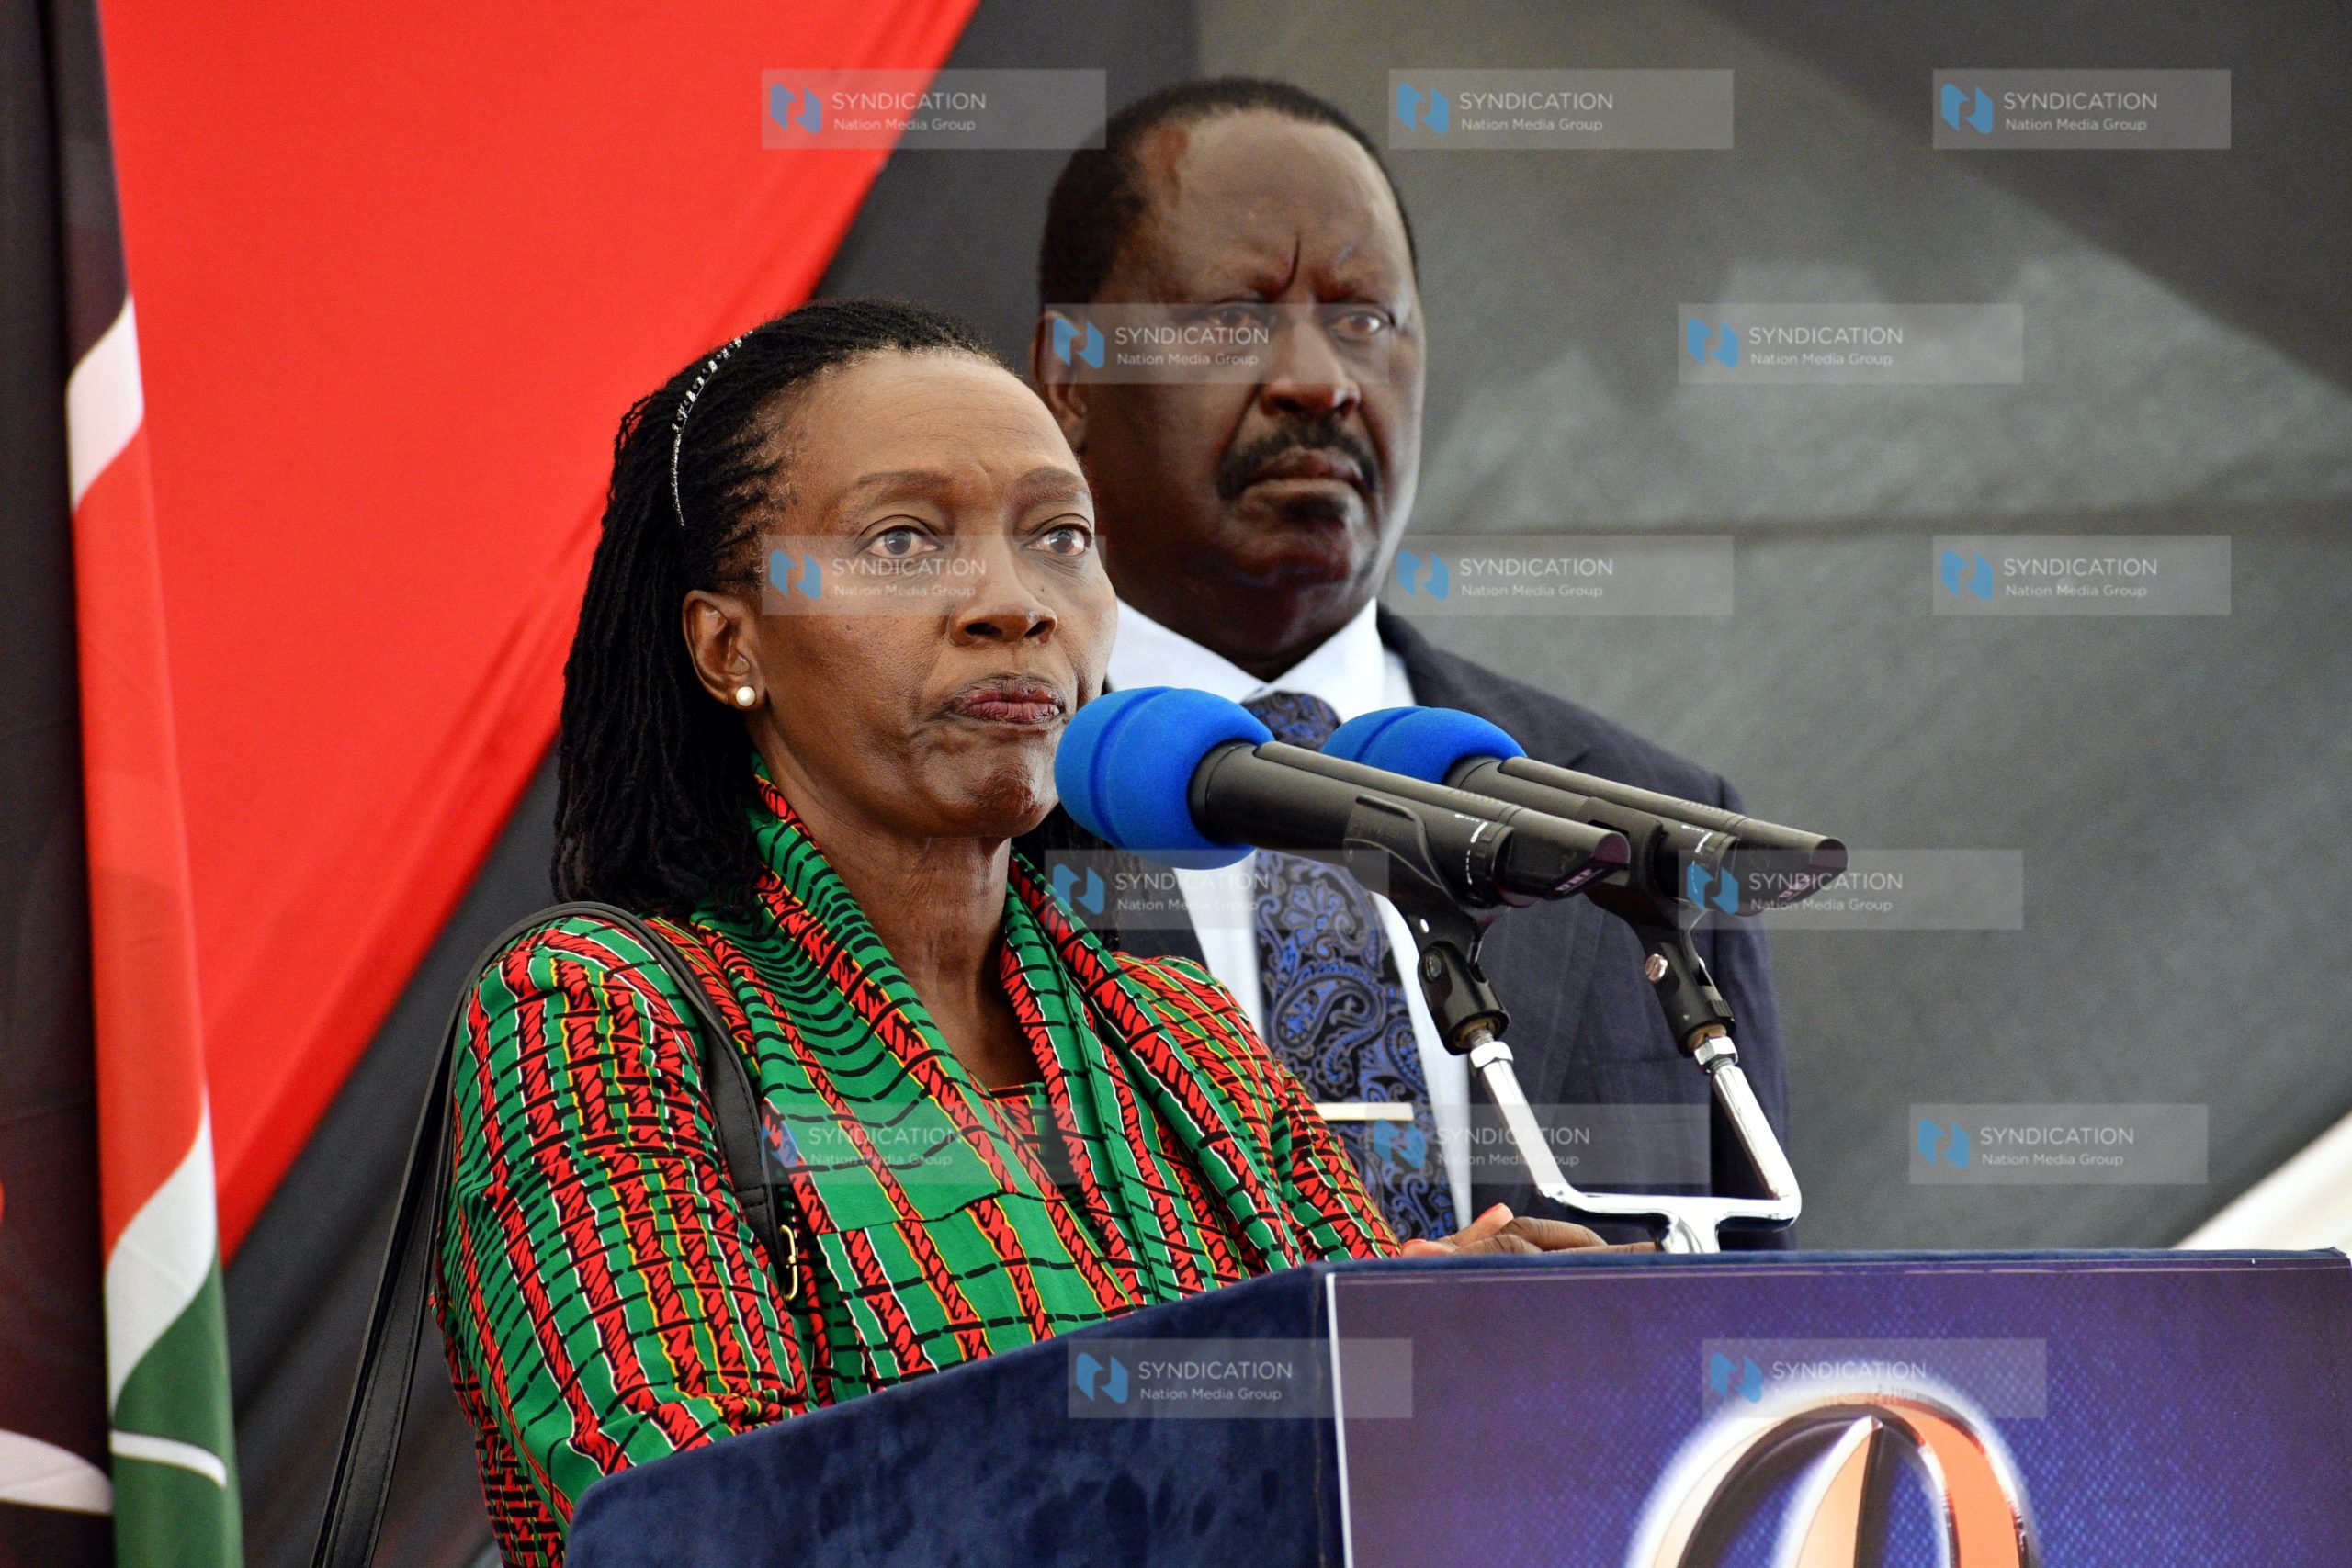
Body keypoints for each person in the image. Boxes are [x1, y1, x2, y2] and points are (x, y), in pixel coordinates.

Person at [435, 298, 1624, 1564]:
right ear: (731, 642)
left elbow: (1362, 1487)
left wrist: (1450, 1332)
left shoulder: (1191, 1039)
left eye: (1061, 535)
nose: (1015, 603)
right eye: (904, 538)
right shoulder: (592, 1007)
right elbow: (701, 1521)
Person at [1022, 79, 1791, 1243]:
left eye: (1364, 317)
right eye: (1235, 316)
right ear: (1071, 376)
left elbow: (1764, 1350)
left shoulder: (1652, 824)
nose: (1319, 381)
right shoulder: (968, 809)